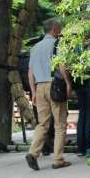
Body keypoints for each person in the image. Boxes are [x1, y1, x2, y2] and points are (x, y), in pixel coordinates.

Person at [25, 19, 73, 170]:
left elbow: (30, 73)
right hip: (55, 86)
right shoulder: (58, 45)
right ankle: (58, 159)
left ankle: (33, 153)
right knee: (60, 124)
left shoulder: (35, 47)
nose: (60, 32)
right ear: (53, 29)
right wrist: (68, 83)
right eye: (59, 29)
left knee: (42, 124)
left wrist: (33, 92)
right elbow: (62, 65)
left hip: (39, 87)